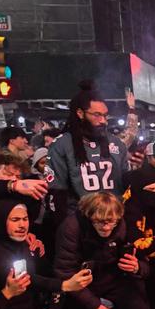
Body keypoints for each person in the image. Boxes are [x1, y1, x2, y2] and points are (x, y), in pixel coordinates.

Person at [47, 80, 130, 217]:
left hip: (114, 220)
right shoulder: (62, 145)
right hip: (80, 223)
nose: (103, 120)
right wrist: (65, 224)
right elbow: (57, 192)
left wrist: (140, 175)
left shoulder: (116, 143)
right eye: (97, 115)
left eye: (105, 115)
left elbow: (126, 185)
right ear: (80, 113)